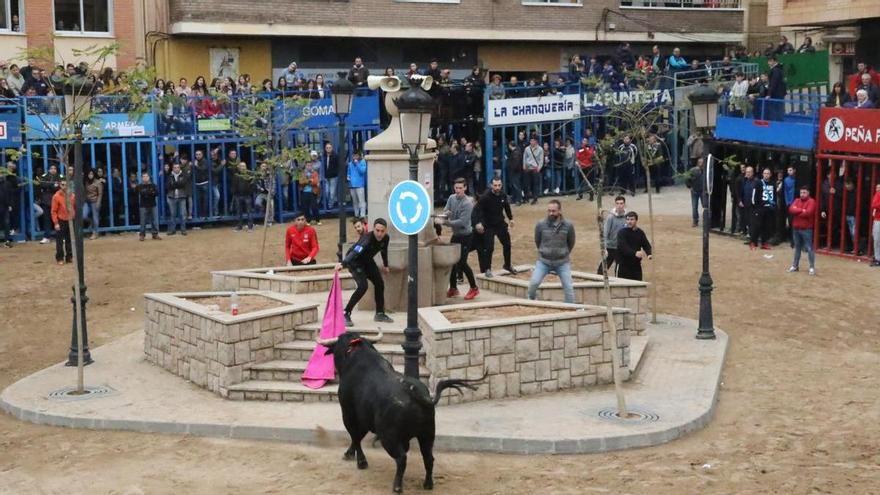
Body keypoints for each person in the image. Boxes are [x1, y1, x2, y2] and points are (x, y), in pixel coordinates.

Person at [336, 218, 393, 326]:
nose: (379, 234)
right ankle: (346, 313)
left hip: (367, 262)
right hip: (355, 262)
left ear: (385, 231)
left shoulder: (386, 238)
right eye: (377, 230)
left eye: (382, 231)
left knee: (379, 283)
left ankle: (380, 313)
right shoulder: (367, 239)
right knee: (363, 286)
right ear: (373, 229)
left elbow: (384, 250)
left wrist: (385, 265)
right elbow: (354, 252)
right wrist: (343, 263)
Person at [527, 200, 576, 303]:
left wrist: (563, 252)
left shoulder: (568, 225)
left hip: (562, 262)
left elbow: (571, 242)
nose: (551, 213)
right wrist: (544, 251)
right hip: (543, 261)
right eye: (549, 211)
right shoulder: (540, 224)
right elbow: (538, 240)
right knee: (533, 283)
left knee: (569, 288)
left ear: (559, 211)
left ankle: (570, 309)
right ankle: (531, 300)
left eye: (553, 211)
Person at [443, 178, 479, 300]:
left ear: (465, 188)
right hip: (456, 235)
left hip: (466, 236)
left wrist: (446, 223)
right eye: (456, 188)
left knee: (462, 263)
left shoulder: (467, 203)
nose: (457, 190)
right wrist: (445, 214)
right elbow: (446, 210)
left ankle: (474, 288)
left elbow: (462, 222)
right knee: (452, 261)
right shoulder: (451, 198)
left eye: (460, 188)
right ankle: (453, 288)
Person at [473, 177, 515, 277]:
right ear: (491, 185)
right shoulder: (485, 197)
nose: (497, 187)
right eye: (495, 185)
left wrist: (511, 218)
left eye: (499, 185)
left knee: (507, 244)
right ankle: (487, 269)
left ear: (501, 185)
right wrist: (477, 223)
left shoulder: (503, 195)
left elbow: (506, 207)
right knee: (489, 248)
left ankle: (507, 265)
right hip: (488, 225)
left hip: (500, 224)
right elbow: (476, 210)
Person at [788, 185, 817, 276]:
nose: (802, 194)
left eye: (804, 192)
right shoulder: (796, 200)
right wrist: (802, 210)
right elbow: (791, 209)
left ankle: (811, 267)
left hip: (806, 229)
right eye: (801, 192)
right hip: (796, 228)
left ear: (808, 193)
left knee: (809, 248)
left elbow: (808, 213)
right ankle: (795, 266)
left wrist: (797, 210)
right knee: (797, 248)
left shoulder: (812, 201)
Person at [616, 211, 652, 281]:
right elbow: (623, 247)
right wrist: (635, 253)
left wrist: (649, 253)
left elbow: (646, 244)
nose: (629, 221)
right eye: (628, 219)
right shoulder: (621, 233)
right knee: (622, 288)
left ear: (636, 220)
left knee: (637, 287)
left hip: (636, 266)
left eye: (632, 219)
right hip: (623, 265)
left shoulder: (640, 232)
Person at [599, 196, 627, 275]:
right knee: (602, 269)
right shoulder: (611, 217)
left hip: (621, 248)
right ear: (615, 204)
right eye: (617, 203)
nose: (619, 205)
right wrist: (604, 248)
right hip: (610, 247)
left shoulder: (627, 217)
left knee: (619, 270)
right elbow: (605, 233)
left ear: (624, 204)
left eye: (621, 203)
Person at [750, 168, 776, 250]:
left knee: (767, 226)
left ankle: (764, 242)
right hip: (760, 208)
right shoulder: (758, 183)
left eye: (768, 173)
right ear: (762, 174)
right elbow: (754, 196)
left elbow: (774, 195)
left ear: (770, 174)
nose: (766, 175)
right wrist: (756, 207)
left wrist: (773, 205)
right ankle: (753, 242)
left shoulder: (773, 183)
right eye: (765, 173)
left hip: (769, 209)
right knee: (757, 226)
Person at [51, 179, 74, 265]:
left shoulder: (72, 195)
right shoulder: (56, 196)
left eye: (66, 184)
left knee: (69, 239)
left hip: (70, 220)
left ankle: (69, 257)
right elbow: (53, 211)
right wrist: (56, 223)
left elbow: (74, 207)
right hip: (61, 220)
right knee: (59, 240)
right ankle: (59, 258)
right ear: (60, 185)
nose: (64, 186)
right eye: (62, 184)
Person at [164, 162, 189, 236]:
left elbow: (183, 183)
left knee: (183, 214)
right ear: (172, 168)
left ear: (180, 168)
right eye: (175, 167)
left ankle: (183, 230)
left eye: (178, 167)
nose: (176, 169)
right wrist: (177, 184)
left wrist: (174, 184)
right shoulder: (169, 175)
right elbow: (168, 186)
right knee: (172, 214)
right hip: (171, 197)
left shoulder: (183, 175)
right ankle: (172, 230)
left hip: (182, 196)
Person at [231, 162, 255, 232]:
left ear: (246, 167)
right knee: (239, 212)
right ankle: (239, 227)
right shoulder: (236, 175)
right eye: (241, 166)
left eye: (244, 166)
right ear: (239, 167)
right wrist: (234, 193)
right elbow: (233, 185)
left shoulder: (249, 175)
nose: (243, 167)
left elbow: (252, 184)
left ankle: (250, 227)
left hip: (247, 196)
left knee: (249, 212)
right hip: (238, 196)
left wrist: (250, 192)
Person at [136, 172, 160, 241]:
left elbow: (157, 193)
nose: (145, 178)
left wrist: (148, 192)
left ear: (149, 177)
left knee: (154, 221)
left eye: (146, 176)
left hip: (152, 205)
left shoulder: (153, 185)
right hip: (143, 205)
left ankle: (155, 234)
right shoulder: (139, 186)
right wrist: (150, 192)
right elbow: (141, 193)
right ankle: (142, 235)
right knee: (143, 221)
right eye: (143, 176)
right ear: (142, 178)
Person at [298, 154, 322, 225]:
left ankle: (317, 220)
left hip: (313, 191)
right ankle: (308, 220)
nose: (309, 167)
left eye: (310, 165)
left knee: (314, 206)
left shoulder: (314, 173)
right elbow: (301, 182)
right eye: (307, 165)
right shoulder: (302, 173)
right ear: (305, 166)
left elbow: (316, 181)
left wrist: (309, 181)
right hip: (304, 192)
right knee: (305, 207)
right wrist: (309, 181)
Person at [522, 137, 543, 205]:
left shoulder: (540, 149)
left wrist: (539, 168)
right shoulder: (527, 149)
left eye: (533, 141)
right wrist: (524, 166)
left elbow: (541, 160)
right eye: (531, 141)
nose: (531, 142)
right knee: (526, 184)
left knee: (535, 184)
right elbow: (524, 157)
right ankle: (526, 198)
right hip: (528, 168)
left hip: (535, 168)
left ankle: (535, 198)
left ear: (536, 141)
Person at [347, 150, 367, 218]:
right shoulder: (350, 164)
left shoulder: (362, 162)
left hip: (360, 185)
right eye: (353, 155)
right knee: (355, 201)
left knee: (361, 201)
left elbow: (362, 171)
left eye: (356, 155)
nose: (354, 157)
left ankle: (362, 215)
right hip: (352, 185)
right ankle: (356, 215)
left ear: (359, 156)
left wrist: (357, 164)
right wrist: (348, 177)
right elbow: (349, 173)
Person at [84, 169, 103, 239]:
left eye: (91, 174)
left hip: (95, 201)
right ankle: (91, 223)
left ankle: (95, 233)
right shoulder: (86, 182)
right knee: (84, 216)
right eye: (89, 174)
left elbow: (100, 194)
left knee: (95, 217)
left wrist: (98, 202)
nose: (90, 175)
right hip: (87, 201)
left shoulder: (98, 182)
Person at [687, 157, 705, 227]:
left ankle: (706, 220)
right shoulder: (693, 170)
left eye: (703, 163)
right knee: (694, 206)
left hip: (703, 191)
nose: (701, 164)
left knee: (705, 206)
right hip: (695, 191)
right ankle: (695, 220)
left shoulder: (705, 170)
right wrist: (690, 187)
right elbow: (687, 178)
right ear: (698, 163)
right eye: (700, 162)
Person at [322, 142, 340, 208]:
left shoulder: (335, 156)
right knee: (326, 192)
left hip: (334, 177)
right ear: (325, 149)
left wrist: (336, 173)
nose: (328, 149)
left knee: (332, 193)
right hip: (326, 177)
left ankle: (330, 205)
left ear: (332, 148)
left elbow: (339, 165)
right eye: (327, 148)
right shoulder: (323, 156)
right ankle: (329, 203)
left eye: (329, 148)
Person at [505, 140, 523, 205]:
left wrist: (511, 169)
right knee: (515, 186)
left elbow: (516, 164)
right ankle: (516, 199)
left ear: (510, 145)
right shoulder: (516, 152)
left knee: (516, 186)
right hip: (516, 172)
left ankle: (518, 200)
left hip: (515, 172)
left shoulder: (515, 153)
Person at [871, 183, 880, 267]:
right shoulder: (877, 195)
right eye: (877, 187)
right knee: (876, 239)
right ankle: (878, 258)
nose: (877, 189)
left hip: (878, 220)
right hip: (877, 220)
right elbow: (873, 205)